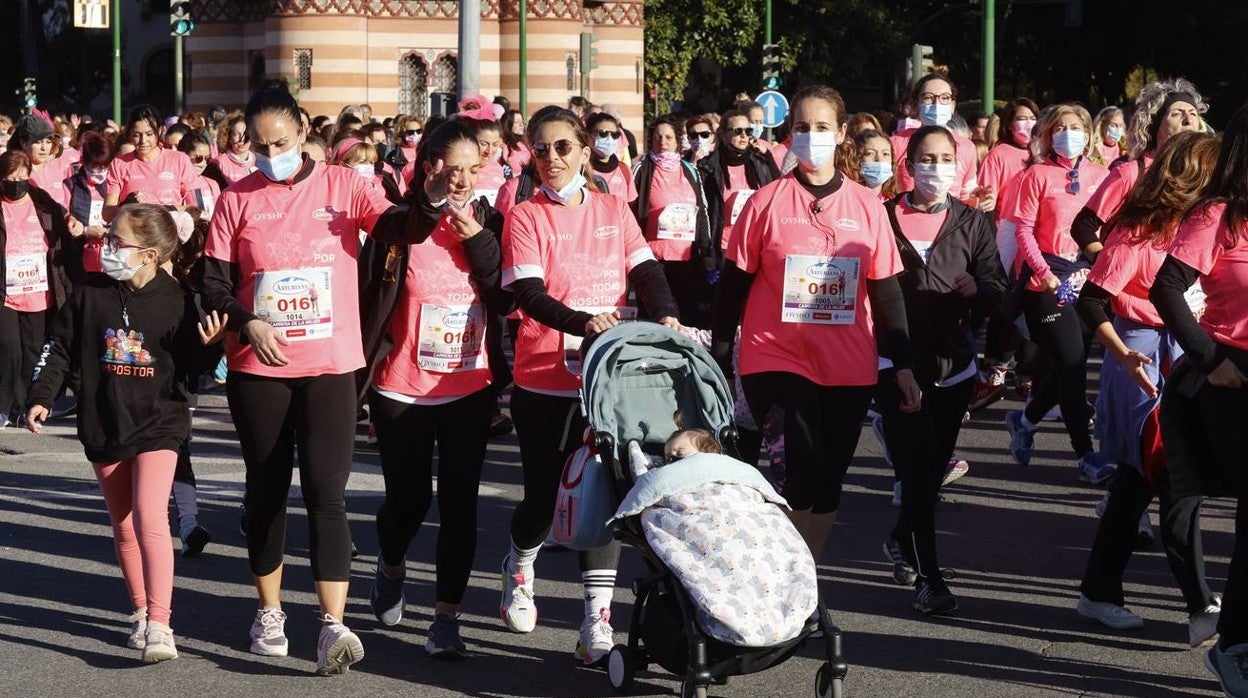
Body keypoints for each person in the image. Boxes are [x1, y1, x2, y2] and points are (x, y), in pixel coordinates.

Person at [199, 81, 430, 675]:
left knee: (327, 492)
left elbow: (398, 227)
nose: (267, 152)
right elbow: (216, 285)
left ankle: (333, 625)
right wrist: (247, 323)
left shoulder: (344, 184)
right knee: (268, 489)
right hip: (260, 369)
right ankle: (270, 611)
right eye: (256, 143)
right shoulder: (236, 199)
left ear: (303, 130)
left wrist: (428, 201)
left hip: (330, 365)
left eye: (277, 140)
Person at [711, 84, 922, 581]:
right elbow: (732, 289)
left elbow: (887, 292)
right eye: (801, 128)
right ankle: (770, 574)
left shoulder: (869, 206)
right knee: (801, 476)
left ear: (842, 133)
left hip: (848, 365)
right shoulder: (764, 203)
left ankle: (801, 583)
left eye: (822, 127)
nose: (811, 136)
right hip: (775, 358)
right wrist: (719, 361)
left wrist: (904, 364)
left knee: (828, 486)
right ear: (790, 134)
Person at [497, 107, 680, 666]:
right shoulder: (524, 216)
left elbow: (645, 269)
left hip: (610, 382)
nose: (552, 159)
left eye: (562, 147)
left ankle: (595, 621)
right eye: (542, 149)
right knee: (544, 496)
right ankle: (520, 564)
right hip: (545, 377)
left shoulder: (612, 205)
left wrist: (667, 314)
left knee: (605, 495)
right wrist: (584, 323)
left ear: (583, 148)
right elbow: (527, 294)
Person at [24, 203, 223, 663]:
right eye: (106, 239)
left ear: (150, 255)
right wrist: (42, 395)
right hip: (105, 421)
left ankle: (161, 623)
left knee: (149, 514)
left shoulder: (177, 298)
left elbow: (190, 367)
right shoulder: (89, 293)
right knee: (124, 525)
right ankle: (138, 612)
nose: (106, 249)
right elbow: (58, 349)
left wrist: (207, 347)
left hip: (160, 424)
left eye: (116, 242)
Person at [359, 120, 511, 657]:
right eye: (454, 169)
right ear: (429, 167)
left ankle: (446, 617)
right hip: (403, 386)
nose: (465, 179)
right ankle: (391, 565)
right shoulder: (400, 219)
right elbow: (373, 282)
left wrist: (479, 240)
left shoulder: (490, 218)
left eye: (475, 168)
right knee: (409, 500)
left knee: (460, 504)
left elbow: (504, 294)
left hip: (469, 384)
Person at [1073, 130, 1221, 643]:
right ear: (1192, 177)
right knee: (1175, 483)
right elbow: (1089, 301)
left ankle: (1098, 591)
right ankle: (1202, 604)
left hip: (1181, 358)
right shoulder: (1135, 233)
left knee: (1140, 488)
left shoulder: (1204, 229)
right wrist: (1124, 352)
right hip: (1142, 364)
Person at [876, 126, 1006, 615]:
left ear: (959, 163)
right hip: (897, 364)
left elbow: (998, 285)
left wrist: (981, 289)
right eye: (926, 158)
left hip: (954, 366)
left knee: (930, 474)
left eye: (945, 158)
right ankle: (929, 578)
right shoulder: (882, 217)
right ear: (908, 163)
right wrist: (890, 358)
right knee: (917, 466)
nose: (936, 167)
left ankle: (898, 539)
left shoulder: (972, 222)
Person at [1149, 102, 1248, 694]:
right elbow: (1165, 287)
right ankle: (1233, 645)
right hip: (1233, 380)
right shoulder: (1216, 215)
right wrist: (1211, 360)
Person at [1003, 104, 1111, 483]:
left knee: (1070, 364)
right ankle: (1086, 455)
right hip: (1046, 280)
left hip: (1090, 277)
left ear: (1089, 132)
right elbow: (1023, 231)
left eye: (1077, 126)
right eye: (1061, 127)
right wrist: (1045, 273)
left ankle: (1025, 419)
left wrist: (1096, 267)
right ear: (1048, 134)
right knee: (1072, 360)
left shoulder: (1103, 175)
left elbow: (1110, 227)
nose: (1070, 133)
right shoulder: (1036, 175)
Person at [1071, 80, 1207, 254]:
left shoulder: (1202, 176)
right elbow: (1083, 226)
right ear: (1155, 125)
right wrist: (1105, 264)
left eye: (1193, 113)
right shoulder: (1131, 173)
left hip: (1176, 280)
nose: (1188, 120)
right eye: (1177, 114)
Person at [1, 150, 81, 428]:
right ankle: (3, 404)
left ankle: (24, 407)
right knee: (8, 348)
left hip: (38, 291)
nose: (17, 183)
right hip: (6, 292)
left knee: (33, 350)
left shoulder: (44, 205)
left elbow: (64, 241)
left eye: (22, 178)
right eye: (10, 179)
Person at [969, 97, 1040, 410]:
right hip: (1007, 234)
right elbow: (986, 195)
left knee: (1035, 302)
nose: (1025, 124)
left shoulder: (1043, 152)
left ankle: (1026, 372)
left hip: (1040, 235)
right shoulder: (999, 154)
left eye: (1031, 118)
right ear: (1009, 122)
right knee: (1007, 303)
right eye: (1020, 118)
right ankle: (997, 365)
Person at [631, 114, 714, 326]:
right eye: (657, 137)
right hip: (653, 260)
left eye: (668, 137)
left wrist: (706, 251)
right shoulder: (641, 170)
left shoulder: (690, 170)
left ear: (678, 141)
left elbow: (702, 211)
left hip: (686, 259)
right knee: (656, 319)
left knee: (687, 319)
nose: (663, 142)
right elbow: (629, 212)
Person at [890, 75, 992, 210]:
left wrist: (980, 198)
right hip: (903, 219)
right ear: (917, 105)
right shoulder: (896, 144)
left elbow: (967, 192)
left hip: (950, 225)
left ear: (953, 106)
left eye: (945, 98)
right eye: (928, 98)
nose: (937, 103)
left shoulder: (967, 147)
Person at [697, 109, 781, 254]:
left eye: (748, 130)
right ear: (723, 135)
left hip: (754, 244)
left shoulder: (759, 163)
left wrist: (768, 156)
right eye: (737, 131)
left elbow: (778, 191)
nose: (744, 135)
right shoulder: (707, 167)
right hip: (723, 246)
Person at [104, 106, 198, 218]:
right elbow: (107, 214)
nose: (143, 141)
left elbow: (195, 209)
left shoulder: (180, 160)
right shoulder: (119, 164)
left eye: (149, 134)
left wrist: (160, 209)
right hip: (134, 233)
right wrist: (126, 205)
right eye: (137, 135)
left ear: (159, 131)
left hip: (169, 232)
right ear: (129, 134)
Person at [13, 115, 73, 207]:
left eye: (48, 142)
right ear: (23, 143)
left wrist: (71, 218)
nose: (44, 148)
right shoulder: (14, 171)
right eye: (38, 142)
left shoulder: (61, 166)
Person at [585, 112, 638, 203]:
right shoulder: (581, 170)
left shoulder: (624, 170)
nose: (609, 139)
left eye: (614, 135)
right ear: (588, 136)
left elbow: (630, 206)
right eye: (603, 133)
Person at [177, 134, 222, 219]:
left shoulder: (212, 184)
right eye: (199, 158)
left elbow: (219, 216)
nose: (203, 163)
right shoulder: (173, 183)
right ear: (184, 155)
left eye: (208, 159)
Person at [213, 111, 256, 184]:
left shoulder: (260, 161)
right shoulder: (219, 163)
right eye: (236, 134)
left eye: (246, 134)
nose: (242, 139)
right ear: (228, 136)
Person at [854, 129, 897, 201]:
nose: (879, 159)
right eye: (870, 153)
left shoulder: (893, 202)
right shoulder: (848, 198)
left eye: (885, 154)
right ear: (856, 158)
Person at [501, 109, 530, 175]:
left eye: (522, 122)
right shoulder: (504, 145)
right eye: (517, 122)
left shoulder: (526, 141)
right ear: (508, 124)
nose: (521, 125)